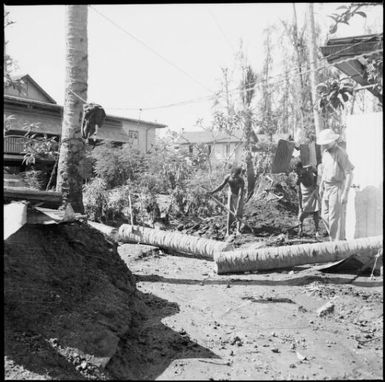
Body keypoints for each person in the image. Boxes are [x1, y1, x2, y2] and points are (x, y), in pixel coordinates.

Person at [317, 129, 354, 241]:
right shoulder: (325, 153)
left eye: (327, 142)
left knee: (335, 219)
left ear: (333, 140)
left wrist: (345, 193)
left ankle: (337, 245)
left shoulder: (340, 153)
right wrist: (321, 185)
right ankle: (337, 239)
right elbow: (324, 171)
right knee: (325, 216)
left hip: (337, 187)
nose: (325, 145)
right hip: (327, 187)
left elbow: (349, 173)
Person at [209, 166, 245, 237]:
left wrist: (237, 209)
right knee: (229, 213)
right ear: (231, 173)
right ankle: (228, 232)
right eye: (234, 176)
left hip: (238, 196)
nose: (235, 178)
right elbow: (221, 186)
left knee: (238, 214)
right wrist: (212, 192)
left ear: (239, 174)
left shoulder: (241, 180)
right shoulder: (228, 177)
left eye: (237, 176)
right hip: (230, 194)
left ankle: (238, 230)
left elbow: (240, 195)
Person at [295, 161, 320, 239]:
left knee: (315, 212)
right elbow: (297, 186)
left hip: (312, 192)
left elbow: (317, 173)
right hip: (304, 196)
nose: (297, 171)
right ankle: (300, 229)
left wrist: (316, 183)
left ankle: (317, 231)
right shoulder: (298, 176)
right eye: (296, 170)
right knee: (301, 214)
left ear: (301, 168)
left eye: (298, 170)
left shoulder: (309, 170)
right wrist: (300, 202)